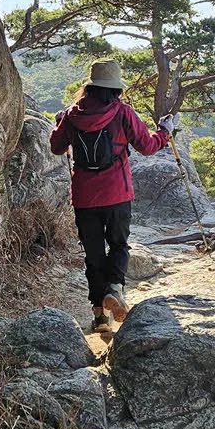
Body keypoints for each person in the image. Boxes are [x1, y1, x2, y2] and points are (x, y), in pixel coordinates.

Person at [49, 59, 174, 341]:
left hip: (85, 196)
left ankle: (99, 317)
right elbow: (148, 146)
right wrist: (165, 132)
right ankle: (115, 289)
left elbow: (57, 147)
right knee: (118, 244)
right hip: (117, 192)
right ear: (116, 88)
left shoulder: (72, 115)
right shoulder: (122, 112)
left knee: (93, 254)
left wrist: (59, 124)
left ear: (90, 87)